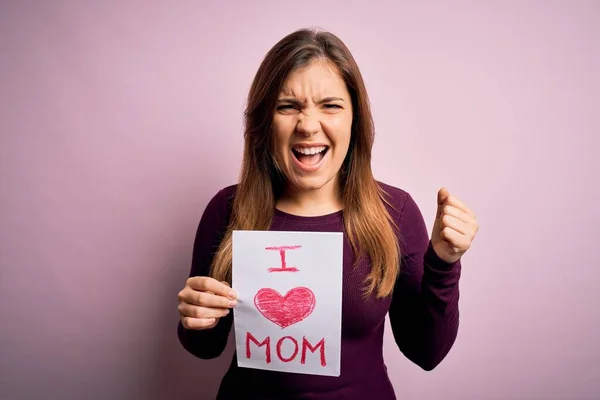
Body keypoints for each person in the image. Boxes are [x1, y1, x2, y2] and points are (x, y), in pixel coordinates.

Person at [176, 28, 479, 399]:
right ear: (265, 122)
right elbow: (203, 348)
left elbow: (426, 353)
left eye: (330, 105)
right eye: (288, 106)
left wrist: (444, 263)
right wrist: (196, 316)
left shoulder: (395, 213)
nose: (307, 125)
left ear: (355, 119)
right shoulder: (227, 210)